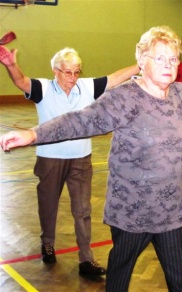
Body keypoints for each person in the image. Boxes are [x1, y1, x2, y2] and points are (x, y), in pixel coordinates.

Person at [0, 26, 182, 291]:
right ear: (141, 61)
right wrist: (34, 135)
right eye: (159, 58)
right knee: (118, 279)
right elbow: (81, 121)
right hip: (130, 211)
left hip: (172, 212)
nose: (168, 64)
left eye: (173, 58)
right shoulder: (123, 98)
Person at [0, 45, 140, 276]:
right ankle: (47, 243)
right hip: (50, 160)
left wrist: (141, 64)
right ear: (56, 70)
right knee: (48, 206)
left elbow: (115, 78)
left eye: (77, 72)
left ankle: (86, 259)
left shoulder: (86, 87)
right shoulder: (43, 88)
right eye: (67, 72)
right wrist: (11, 65)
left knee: (83, 210)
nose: (73, 78)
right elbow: (21, 81)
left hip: (81, 160)